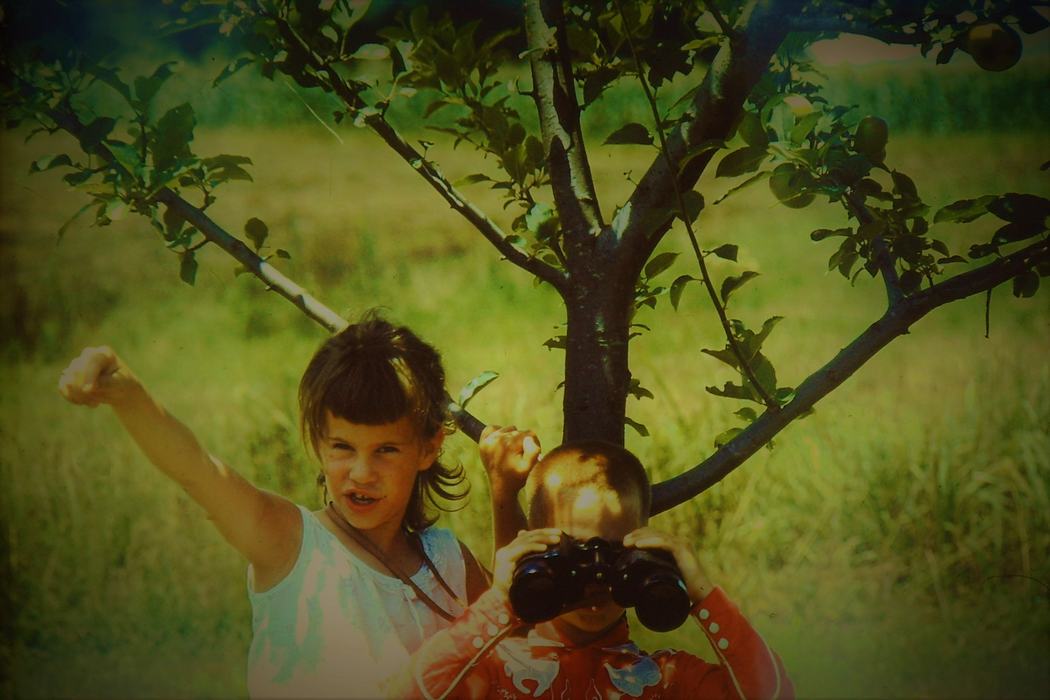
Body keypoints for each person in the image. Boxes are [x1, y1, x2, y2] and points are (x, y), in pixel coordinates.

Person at [57, 314, 492, 699]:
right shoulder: (291, 543)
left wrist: (505, 497)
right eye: (342, 447)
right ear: (317, 442)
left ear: (428, 448)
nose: (361, 473)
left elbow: (512, 660)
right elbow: (197, 471)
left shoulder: (449, 562)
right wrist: (129, 395)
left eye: (386, 450)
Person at [386, 438, 794, 699]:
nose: (596, 579)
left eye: (617, 554)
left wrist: (702, 593)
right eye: (574, 554)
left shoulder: (664, 678)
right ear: (537, 547)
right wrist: (499, 604)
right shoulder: (496, 670)